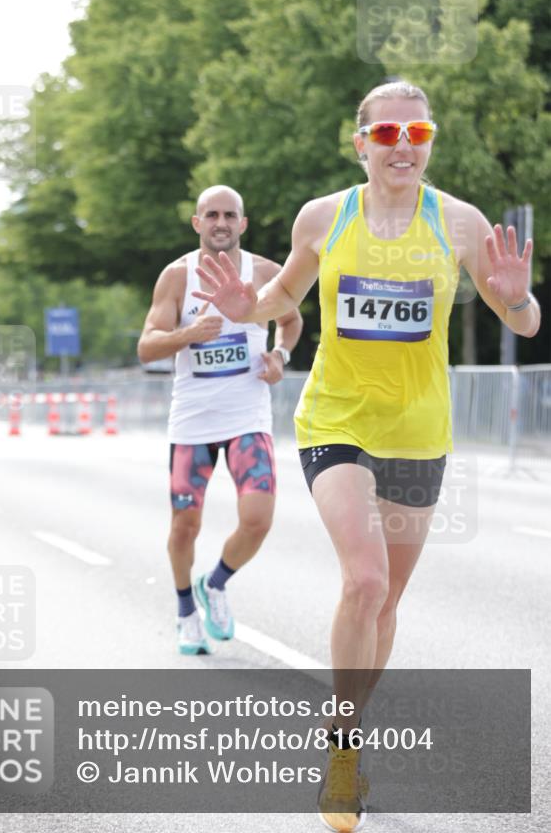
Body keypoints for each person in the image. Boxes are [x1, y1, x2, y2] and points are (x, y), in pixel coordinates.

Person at [193, 82, 541, 832]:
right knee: (365, 578)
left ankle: (348, 724)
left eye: (416, 131)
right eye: (386, 133)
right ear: (360, 143)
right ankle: (343, 752)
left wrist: (515, 299)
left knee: (385, 603)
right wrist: (240, 309)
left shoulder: (459, 222)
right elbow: (279, 296)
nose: (402, 145)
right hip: (336, 418)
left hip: (418, 429)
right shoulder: (325, 217)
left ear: (429, 141)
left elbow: (523, 313)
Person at [137, 185, 302, 656]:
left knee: (258, 519)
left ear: (243, 224)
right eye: (212, 214)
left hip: (248, 415)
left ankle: (216, 583)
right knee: (184, 526)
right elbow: (147, 346)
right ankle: (186, 608)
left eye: (230, 214)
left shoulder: (266, 273)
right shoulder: (176, 277)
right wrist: (188, 334)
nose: (221, 222)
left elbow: (292, 322)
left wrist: (278, 355)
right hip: (193, 420)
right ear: (197, 223)